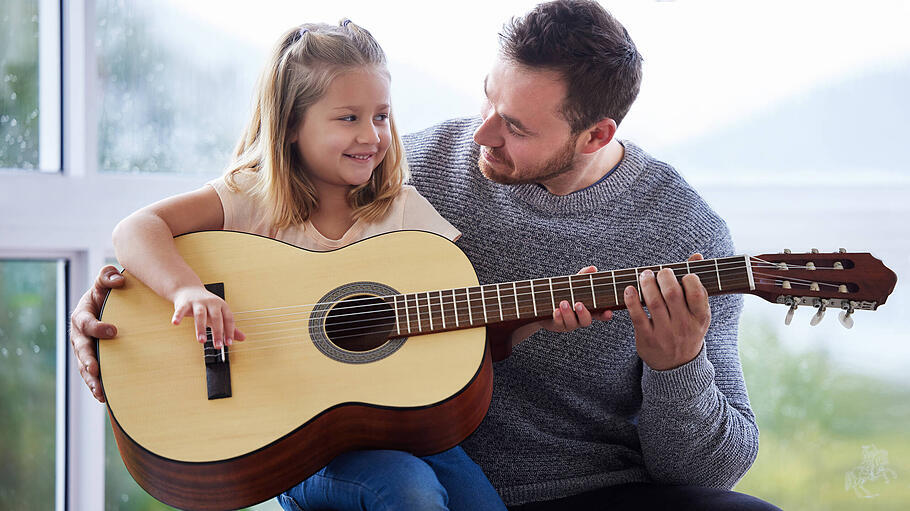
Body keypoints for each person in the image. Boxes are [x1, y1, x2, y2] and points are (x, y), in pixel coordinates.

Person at [72, 2, 781, 510]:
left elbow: (713, 465)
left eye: (516, 126)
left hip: (591, 484)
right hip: (388, 459)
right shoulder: (403, 169)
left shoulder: (682, 231)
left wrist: (676, 368)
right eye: (486, 100)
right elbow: (250, 222)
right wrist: (132, 306)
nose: (481, 136)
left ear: (595, 136)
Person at [100, 19, 565, 511]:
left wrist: (532, 316)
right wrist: (186, 291)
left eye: (382, 116)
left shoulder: (404, 213)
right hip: (294, 445)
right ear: (292, 125)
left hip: (408, 427)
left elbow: (452, 333)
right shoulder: (248, 199)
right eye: (348, 118)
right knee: (407, 490)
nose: (371, 135)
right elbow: (135, 229)